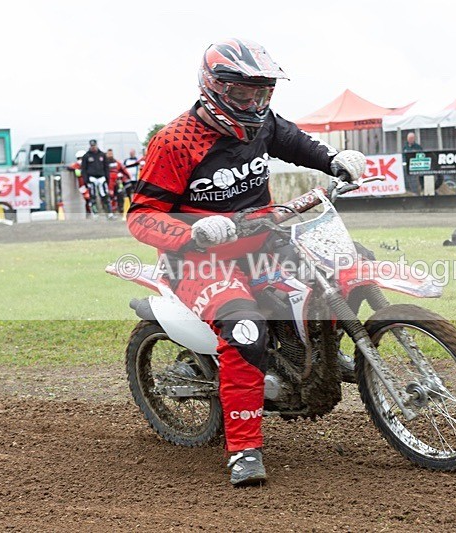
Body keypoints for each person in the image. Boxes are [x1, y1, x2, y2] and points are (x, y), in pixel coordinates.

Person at [127, 38, 365, 487]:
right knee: (246, 328)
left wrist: (335, 160)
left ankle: (323, 359)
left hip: (262, 239)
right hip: (199, 259)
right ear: (214, 86)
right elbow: (141, 216)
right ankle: (243, 450)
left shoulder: (263, 123)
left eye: (262, 92)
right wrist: (192, 232)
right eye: (242, 93)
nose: (253, 102)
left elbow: (295, 143)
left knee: (337, 270)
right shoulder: (175, 141)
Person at [68, 149, 95, 215]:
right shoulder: (76, 166)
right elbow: (69, 167)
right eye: (79, 158)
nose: (81, 160)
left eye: (82, 158)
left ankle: (92, 211)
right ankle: (89, 212)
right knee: (87, 198)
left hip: (90, 183)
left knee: (92, 198)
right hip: (82, 185)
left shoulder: (90, 165)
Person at [106, 149, 132, 214]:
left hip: (117, 181)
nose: (110, 155)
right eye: (109, 154)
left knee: (120, 194)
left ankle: (121, 208)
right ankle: (111, 209)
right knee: (110, 195)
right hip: (109, 182)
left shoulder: (117, 162)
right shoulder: (104, 163)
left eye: (111, 153)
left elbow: (124, 169)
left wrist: (128, 177)